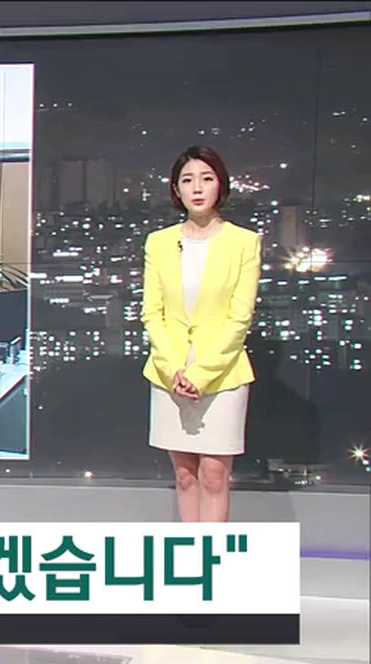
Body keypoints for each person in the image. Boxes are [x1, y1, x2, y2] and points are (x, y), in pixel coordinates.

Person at [141, 145, 261, 523]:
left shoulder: (244, 242)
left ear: (220, 185)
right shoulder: (159, 242)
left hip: (222, 375)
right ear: (176, 189)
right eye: (187, 180)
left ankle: (212, 557)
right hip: (170, 374)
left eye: (206, 179)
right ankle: (190, 556)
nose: (197, 188)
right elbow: (152, 313)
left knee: (213, 475)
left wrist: (200, 374)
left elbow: (239, 319)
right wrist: (174, 369)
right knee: (184, 476)